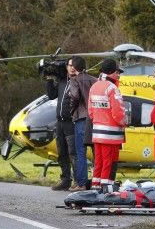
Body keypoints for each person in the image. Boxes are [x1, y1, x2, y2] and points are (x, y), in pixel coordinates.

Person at [87, 58, 126, 193]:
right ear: (113, 72)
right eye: (117, 72)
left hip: (97, 132)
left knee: (99, 161)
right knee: (108, 162)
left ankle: (95, 186)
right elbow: (118, 113)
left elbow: (90, 112)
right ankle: (106, 189)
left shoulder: (94, 86)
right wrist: (125, 122)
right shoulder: (112, 88)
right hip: (111, 134)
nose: (118, 75)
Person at [46, 58, 78, 191]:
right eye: (69, 65)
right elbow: (51, 95)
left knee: (73, 152)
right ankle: (65, 179)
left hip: (71, 122)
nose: (71, 68)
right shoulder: (63, 82)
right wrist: (48, 79)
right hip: (60, 122)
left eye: (73, 66)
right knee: (62, 152)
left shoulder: (78, 82)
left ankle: (78, 180)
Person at [69, 56, 97, 191]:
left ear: (74, 67)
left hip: (81, 119)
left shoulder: (75, 81)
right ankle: (98, 181)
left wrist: (71, 110)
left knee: (81, 152)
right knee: (96, 152)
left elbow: (74, 96)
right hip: (95, 119)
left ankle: (81, 183)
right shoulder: (94, 80)